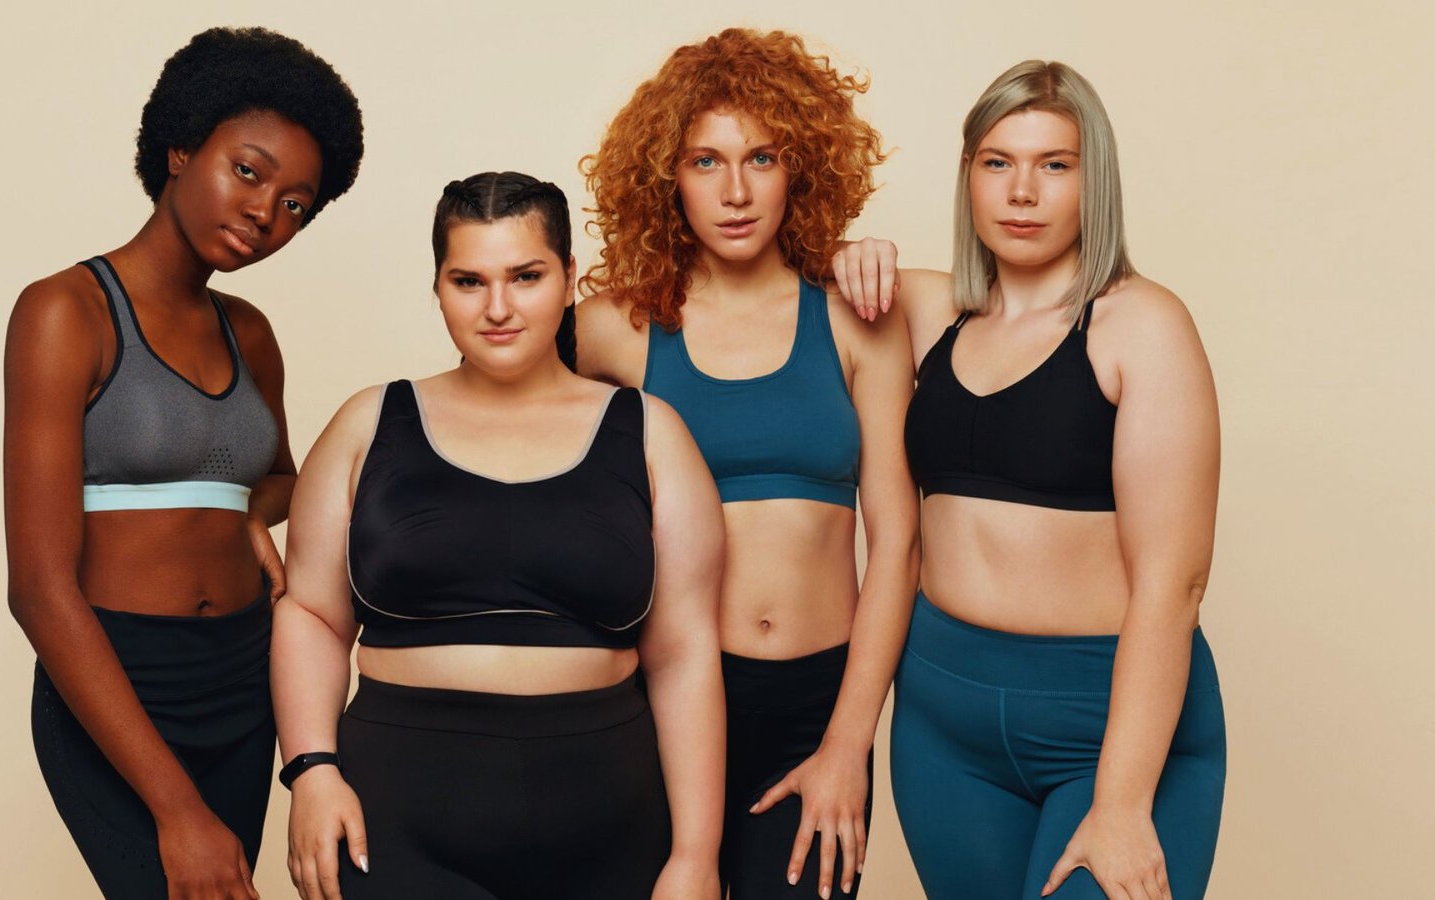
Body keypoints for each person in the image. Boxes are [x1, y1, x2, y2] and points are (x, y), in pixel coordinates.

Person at [273, 172, 727, 900]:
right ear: (438, 287)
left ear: (569, 277)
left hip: (610, 822)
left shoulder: (649, 433)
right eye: (468, 281)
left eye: (526, 276)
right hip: (396, 819)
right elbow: (313, 615)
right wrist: (311, 771)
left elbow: (683, 654)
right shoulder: (369, 424)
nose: (497, 308)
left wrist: (696, 857)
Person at [840, 60, 1227, 899]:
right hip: (944, 725)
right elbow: (764, 297)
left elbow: (1176, 582)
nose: (1023, 191)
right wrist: (848, 253)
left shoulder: (1141, 325)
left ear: (1097, 183)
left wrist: (1124, 803)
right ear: (968, 178)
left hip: (1108, 729)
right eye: (997, 163)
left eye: (1055, 165)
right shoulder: (927, 311)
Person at [2, 27, 363, 899]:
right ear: (179, 145)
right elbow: (39, 588)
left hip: (242, 682)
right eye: (248, 171)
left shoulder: (250, 334)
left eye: (295, 203)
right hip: (118, 682)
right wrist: (175, 809)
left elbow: (276, 476)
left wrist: (242, 511)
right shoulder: (66, 312)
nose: (265, 212)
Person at [576, 28, 919, 899]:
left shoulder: (855, 318)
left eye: (760, 158)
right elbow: (499, 426)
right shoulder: (614, 327)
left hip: (819, 703)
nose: (735, 192)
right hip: (664, 697)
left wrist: (848, 744)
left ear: (798, 167)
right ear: (666, 178)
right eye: (705, 162)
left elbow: (900, 547)